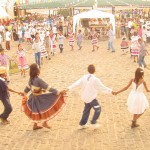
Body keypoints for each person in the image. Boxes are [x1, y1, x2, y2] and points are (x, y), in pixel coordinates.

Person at [65, 64, 115, 129]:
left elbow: (76, 83)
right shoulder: (95, 79)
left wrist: (68, 88)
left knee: (86, 110)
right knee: (98, 109)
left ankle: (82, 124)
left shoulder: (84, 77)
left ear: (88, 70)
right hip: (91, 98)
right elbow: (102, 87)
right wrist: (111, 91)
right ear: (95, 71)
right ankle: (93, 122)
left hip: (85, 97)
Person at [22, 63, 66, 130]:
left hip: (33, 98)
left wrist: (24, 93)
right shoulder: (38, 80)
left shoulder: (31, 78)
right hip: (39, 98)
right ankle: (44, 123)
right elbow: (48, 88)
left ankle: (35, 125)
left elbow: (28, 87)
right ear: (37, 70)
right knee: (44, 108)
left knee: (36, 111)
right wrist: (58, 92)